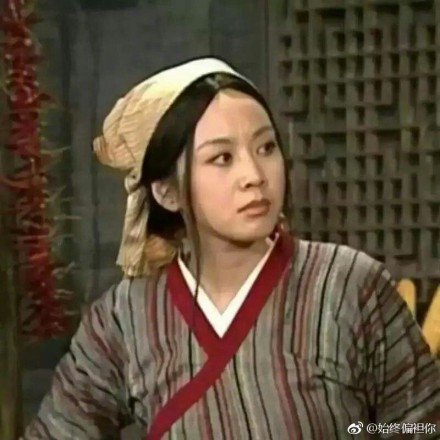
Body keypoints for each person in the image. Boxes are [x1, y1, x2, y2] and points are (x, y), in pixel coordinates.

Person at [23, 57, 439, 440]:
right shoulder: (125, 318)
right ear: (166, 192)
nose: (254, 174)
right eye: (222, 158)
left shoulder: (348, 284)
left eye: (266, 148)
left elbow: (421, 425)